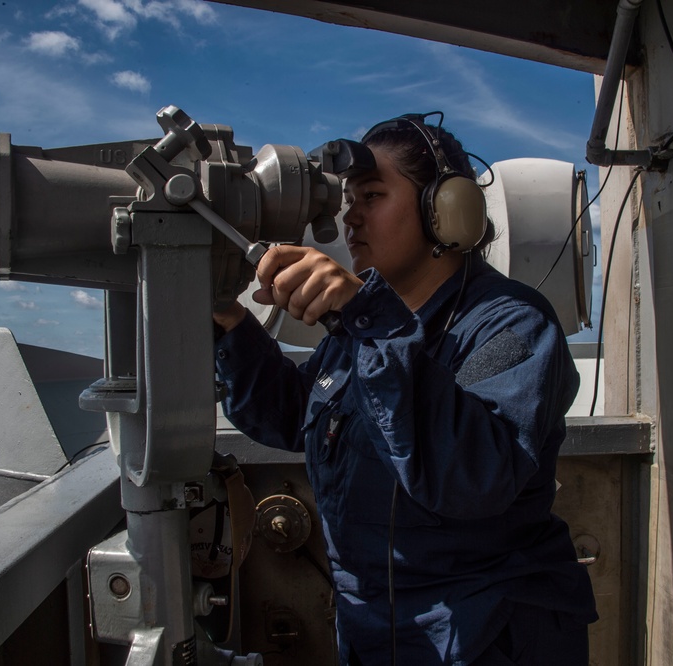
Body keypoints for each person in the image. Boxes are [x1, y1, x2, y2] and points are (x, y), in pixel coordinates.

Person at [212, 113, 597, 665]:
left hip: (485, 633)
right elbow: (295, 413)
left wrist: (368, 318)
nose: (350, 216)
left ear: (444, 211)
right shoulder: (367, 326)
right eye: (349, 199)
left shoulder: (512, 323)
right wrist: (231, 322)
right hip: (375, 630)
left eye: (371, 194)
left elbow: (474, 474)